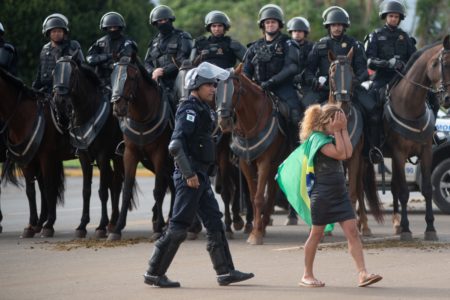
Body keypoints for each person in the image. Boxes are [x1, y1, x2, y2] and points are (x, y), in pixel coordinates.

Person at [143, 62, 254, 288]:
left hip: (201, 177)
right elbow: (175, 145)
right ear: (195, 86)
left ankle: (225, 272)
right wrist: (188, 173)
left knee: (214, 222)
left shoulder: (203, 108)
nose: (213, 89)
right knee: (178, 226)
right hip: (190, 177)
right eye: (208, 85)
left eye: (214, 85)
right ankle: (154, 272)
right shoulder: (189, 109)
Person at [298, 104, 382, 288]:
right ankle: (307, 275)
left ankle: (363, 274)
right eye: (338, 119)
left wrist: (342, 129)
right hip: (323, 195)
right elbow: (339, 154)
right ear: (327, 121)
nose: (342, 122)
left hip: (339, 193)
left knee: (352, 231)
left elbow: (349, 153)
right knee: (316, 234)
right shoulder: (317, 139)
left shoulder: (330, 135)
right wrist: (338, 131)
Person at [243, 4, 301, 147]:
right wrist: (251, 85)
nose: (270, 25)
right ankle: (235, 149)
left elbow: (292, 67)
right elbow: (245, 71)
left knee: (296, 114)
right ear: (263, 25)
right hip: (257, 88)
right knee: (234, 110)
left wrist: (272, 81)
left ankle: (297, 147)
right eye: (267, 22)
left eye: (273, 22)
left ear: (279, 24)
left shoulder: (288, 43)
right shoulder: (254, 46)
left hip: (282, 88)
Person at [144, 5, 192, 108]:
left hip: (178, 80)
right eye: (159, 21)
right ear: (155, 23)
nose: (162, 23)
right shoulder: (154, 42)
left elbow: (184, 61)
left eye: (165, 20)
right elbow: (147, 62)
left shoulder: (182, 37)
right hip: (157, 81)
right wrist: (153, 71)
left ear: (170, 20)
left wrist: (163, 71)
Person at [33, 13, 84, 94]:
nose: (57, 34)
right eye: (54, 31)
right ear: (48, 33)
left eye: (59, 31)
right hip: (45, 90)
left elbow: (81, 67)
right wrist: (34, 89)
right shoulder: (45, 49)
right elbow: (40, 72)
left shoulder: (72, 45)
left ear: (64, 33)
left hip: (66, 91)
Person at [86, 12, 137, 89]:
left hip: (122, 80)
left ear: (120, 27)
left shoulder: (127, 42)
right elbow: (90, 59)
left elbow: (127, 57)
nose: (113, 30)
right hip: (101, 81)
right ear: (105, 28)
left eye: (115, 27)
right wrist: (108, 57)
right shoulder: (100, 42)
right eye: (110, 28)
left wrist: (114, 64)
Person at [287, 17, 314, 99]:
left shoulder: (312, 47)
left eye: (300, 31)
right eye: (294, 31)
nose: (297, 33)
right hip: (288, 83)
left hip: (307, 84)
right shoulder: (285, 47)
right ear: (291, 32)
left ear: (305, 32)